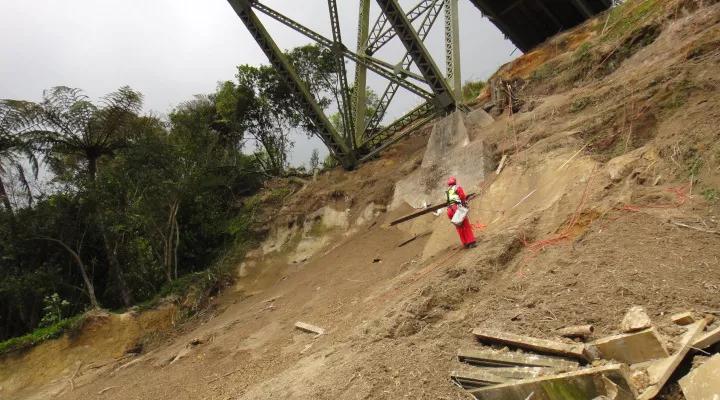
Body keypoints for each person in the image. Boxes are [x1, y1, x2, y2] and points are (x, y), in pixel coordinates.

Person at [446, 176, 476, 249]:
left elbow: (451, 200)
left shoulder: (448, 191)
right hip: (456, 208)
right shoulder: (457, 187)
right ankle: (471, 242)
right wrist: (464, 204)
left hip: (449, 210)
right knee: (465, 224)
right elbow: (462, 197)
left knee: (459, 227)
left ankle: (465, 243)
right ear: (455, 182)